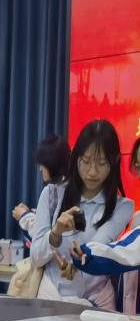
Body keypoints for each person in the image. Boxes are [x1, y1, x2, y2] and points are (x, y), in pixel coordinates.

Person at [29, 119, 132, 309]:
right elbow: (36, 257)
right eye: (86, 161)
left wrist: (77, 264)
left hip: (97, 307)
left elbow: (98, 246)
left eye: (102, 163)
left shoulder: (121, 207)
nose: (92, 171)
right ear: (76, 157)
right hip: (51, 301)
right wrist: (55, 233)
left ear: (115, 161)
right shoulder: (52, 194)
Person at [72, 137, 140, 276]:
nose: (92, 172)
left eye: (102, 163)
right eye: (138, 165)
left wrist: (87, 254)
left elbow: (122, 252)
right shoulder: (137, 218)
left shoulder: (124, 206)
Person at [12, 134, 71, 241]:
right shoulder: (58, 187)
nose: (40, 169)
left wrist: (24, 216)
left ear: (51, 162)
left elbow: (44, 233)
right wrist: (33, 213)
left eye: (43, 164)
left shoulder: (59, 190)